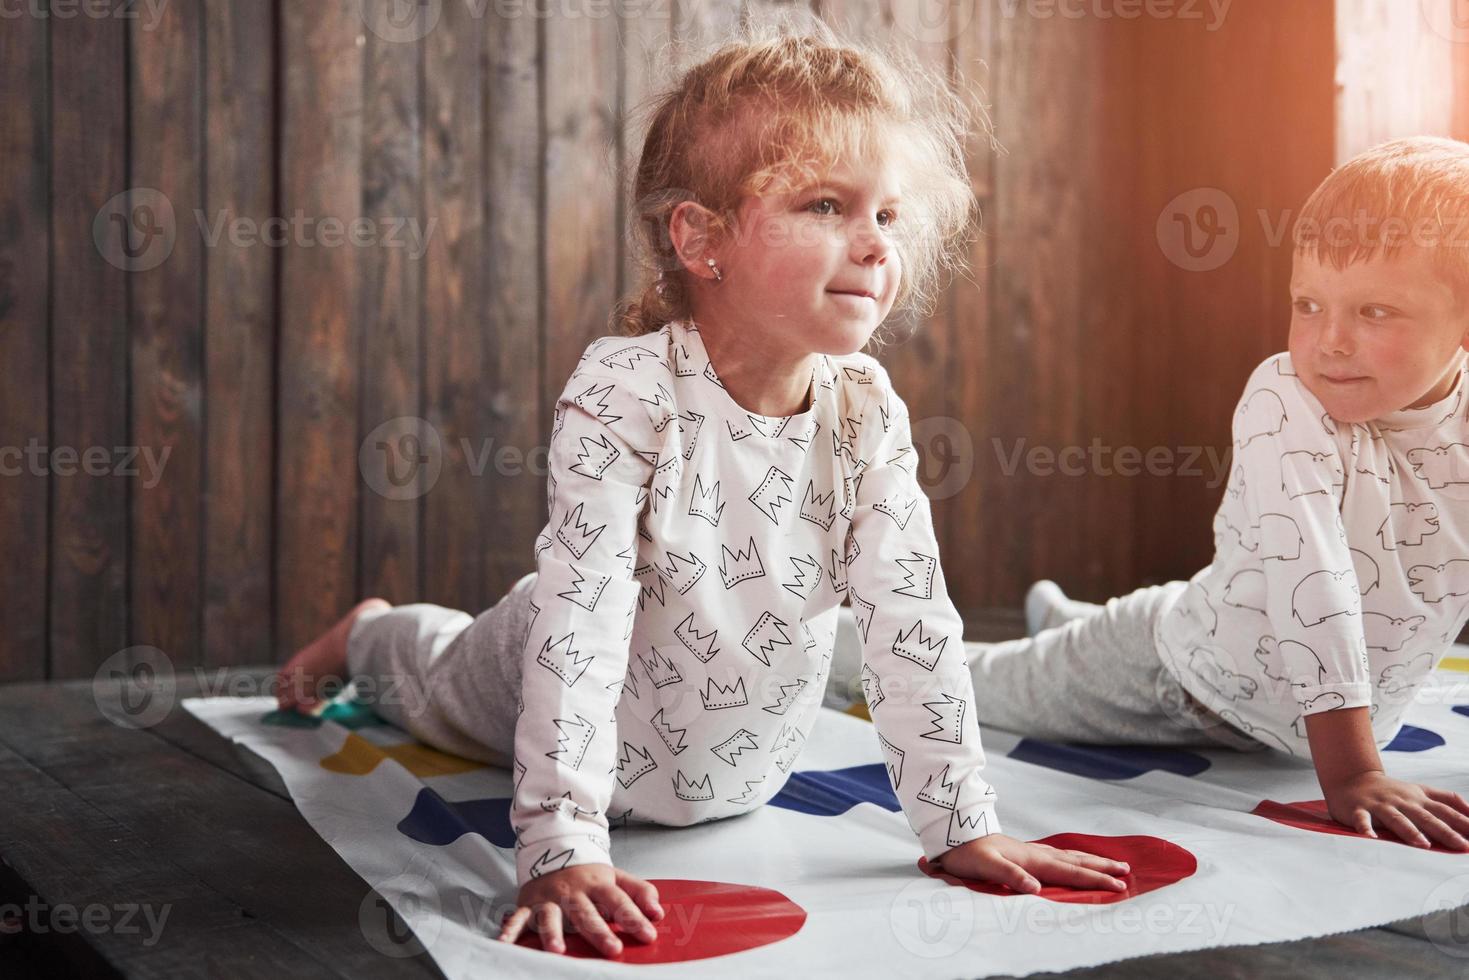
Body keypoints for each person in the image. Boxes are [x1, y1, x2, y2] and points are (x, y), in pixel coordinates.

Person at [274, 24, 1128, 960]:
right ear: (700, 237)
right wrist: (560, 840)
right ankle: (366, 630)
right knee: (434, 680)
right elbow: (582, 616)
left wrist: (961, 825)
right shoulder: (628, 389)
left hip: (724, 765)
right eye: (826, 205)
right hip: (551, 668)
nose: (875, 245)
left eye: (887, 215)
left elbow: (909, 616)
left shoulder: (865, 412)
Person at [951, 136, 1469, 854]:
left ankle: (1063, 615)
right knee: (960, 683)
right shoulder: (1285, 397)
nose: (1329, 342)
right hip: (1181, 677)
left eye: (1375, 313)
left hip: (1250, 665)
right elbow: (1312, 585)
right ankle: (817, 644)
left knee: (1125, 620)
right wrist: (1351, 775)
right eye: (1308, 304)